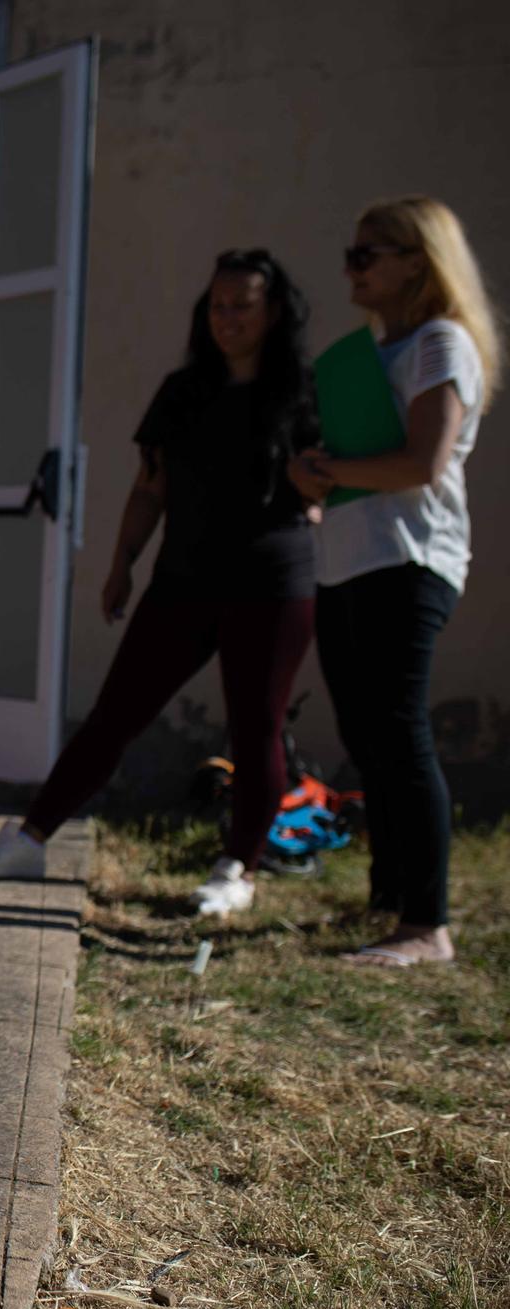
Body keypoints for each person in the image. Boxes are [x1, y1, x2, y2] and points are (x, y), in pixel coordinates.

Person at [0, 251, 320, 915]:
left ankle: (236, 868)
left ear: (273, 312)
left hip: (271, 583)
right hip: (181, 579)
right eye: (217, 304)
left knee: (255, 727)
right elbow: (149, 488)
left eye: (243, 304)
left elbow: (325, 489)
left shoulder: (302, 392)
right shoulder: (182, 392)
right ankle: (30, 840)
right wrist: (123, 559)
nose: (227, 317)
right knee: (114, 714)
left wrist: (317, 486)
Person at [287, 196, 499, 967]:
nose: (351, 266)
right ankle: (389, 899)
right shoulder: (372, 352)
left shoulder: (440, 343)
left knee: (400, 731)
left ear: (418, 259)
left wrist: (330, 469)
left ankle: (427, 927)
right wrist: (308, 474)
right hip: (347, 558)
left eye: (367, 253)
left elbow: (421, 463)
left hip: (410, 559)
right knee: (365, 733)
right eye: (351, 252)